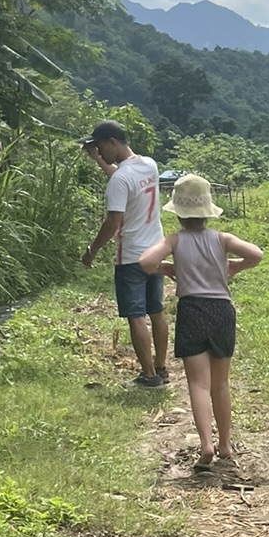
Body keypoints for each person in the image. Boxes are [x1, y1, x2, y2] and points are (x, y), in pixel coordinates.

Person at [136, 174, 262, 471]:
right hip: (221, 311)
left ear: (178, 212)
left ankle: (205, 443)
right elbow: (257, 254)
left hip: (191, 310)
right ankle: (226, 445)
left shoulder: (174, 240)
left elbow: (145, 262)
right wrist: (236, 266)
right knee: (221, 383)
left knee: (198, 383)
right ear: (208, 211)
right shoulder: (223, 239)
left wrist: (167, 268)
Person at [80, 119, 169, 388]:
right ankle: (162, 367)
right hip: (156, 250)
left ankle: (149, 377)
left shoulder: (120, 179)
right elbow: (123, 180)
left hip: (131, 256)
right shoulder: (149, 165)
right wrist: (98, 160)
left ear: (112, 143)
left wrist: (92, 250)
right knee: (156, 311)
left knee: (136, 315)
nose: (99, 152)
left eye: (99, 147)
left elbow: (113, 222)